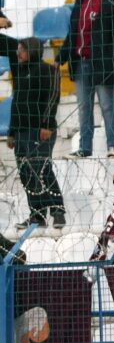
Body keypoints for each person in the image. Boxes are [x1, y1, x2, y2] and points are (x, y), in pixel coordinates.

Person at [67, 0, 114, 158]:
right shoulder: (80, 2)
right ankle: (85, 147)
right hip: (81, 62)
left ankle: (113, 146)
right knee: (84, 108)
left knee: (107, 106)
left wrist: (112, 61)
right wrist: (62, 56)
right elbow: (72, 32)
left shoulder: (110, 2)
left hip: (101, 63)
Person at [6, 36, 64, 230]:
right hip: (21, 131)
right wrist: (12, 132)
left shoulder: (48, 70)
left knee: (42, 169)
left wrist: (46, 124)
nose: (18, 53)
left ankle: (57, 211)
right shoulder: (20, 72)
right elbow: (16, 103)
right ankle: (37, 215)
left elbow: (53, 97)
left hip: (40, 130)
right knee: (26, 173)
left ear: (31, 50)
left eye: (22, 49)